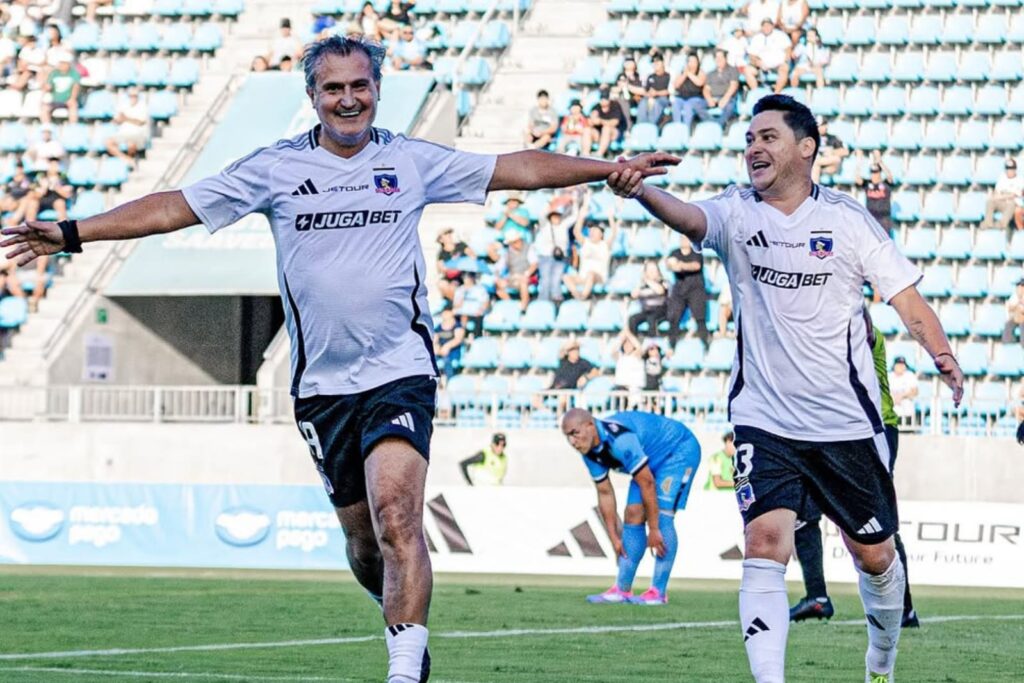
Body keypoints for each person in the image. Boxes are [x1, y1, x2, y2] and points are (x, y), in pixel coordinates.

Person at [1, 35, 678, 683]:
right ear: (312, 95)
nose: (348, 99)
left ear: (379, 90)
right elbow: (178, 206)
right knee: (364, 542)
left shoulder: (410, 160)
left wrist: (604, 171)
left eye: (360, 86)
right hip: (322, 388)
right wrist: (69, 232)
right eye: (334, 89)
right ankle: (400, 622)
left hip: (400, 372)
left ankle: (405, 665)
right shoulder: (276, 168)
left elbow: (515, 167)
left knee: (396, 515)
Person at [606, 93, 963, 683]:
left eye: (768, 137)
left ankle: (881, 664)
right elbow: (691, 218)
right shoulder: (737, 212)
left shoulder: (848, 220)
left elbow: (905, 297)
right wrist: (641, 190)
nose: (753, 148)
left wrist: (941, 352)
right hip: (764, 418)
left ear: (806, 148)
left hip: (845, 422)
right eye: (749, 139)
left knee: (873, 555)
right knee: (764, 540)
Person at [791, 311, 920, 629]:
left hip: (875, 431)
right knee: (803, 512)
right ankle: (817, 597)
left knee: (880, 521)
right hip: (829, 432)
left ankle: (903, 608)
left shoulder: (863, 329)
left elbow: (858, 326)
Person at [562, 408, 702, 605]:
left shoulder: (620, 440)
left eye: (575, 433)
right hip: (649, 459)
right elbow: (604, 492)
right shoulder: (588, 452)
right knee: (633, 513)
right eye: (567, 436)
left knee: (662, 515)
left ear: (590, 425)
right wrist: (613, 538)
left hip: (678, 450)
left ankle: (658, 592)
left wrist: (653, 530)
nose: (572, 442)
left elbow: (647, 484)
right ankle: (622, 589)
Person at [563, 194, 616, 300]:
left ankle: (583, 296)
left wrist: (611, 218)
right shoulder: (586, 242)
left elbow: (614, 233)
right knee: (566, 277)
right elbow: (576, 231)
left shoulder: (605, 245)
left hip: (598, 277)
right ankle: (576, 294)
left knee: (591, 274)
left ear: (601, 234)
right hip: (583, 276)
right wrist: (582, 215)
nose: (592, 233)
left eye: (595, 231)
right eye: (591, 231)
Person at [665, 235, 708, 348]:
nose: (683, 241)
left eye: (686, 239)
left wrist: (680, 265)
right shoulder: (675, 252)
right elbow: (669, 264)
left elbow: (696, 265)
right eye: (682, 239)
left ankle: (706, 345)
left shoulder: (696, 252)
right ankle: (671, 346)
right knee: (674, 318)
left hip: (696, 290)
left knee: (700, 319)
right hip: (680, 290)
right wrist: (675, 265)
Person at [106, 88, 150, 166]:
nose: (133, 98)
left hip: (137, 134)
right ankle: (127, 160)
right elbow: (117, 120)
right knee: (109, 142)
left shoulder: (142, 106)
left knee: (131, 144)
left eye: (135, 96)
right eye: (131, 96)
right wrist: (119, 119)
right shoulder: (124, 106)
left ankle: (130, 161)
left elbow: (141, 122)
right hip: (123, 133)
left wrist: (126, 118)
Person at [494, 231, 536, 312]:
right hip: (513, 277)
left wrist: (526, 274)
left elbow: (534, 264)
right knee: (498, 284)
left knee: (523, 282)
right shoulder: (507, 253)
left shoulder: (528, 248)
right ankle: (511, 304)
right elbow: (500, 266)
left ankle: (524, 307)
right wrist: (497, 275)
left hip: (528, 276)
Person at [746, 19, 790, 94]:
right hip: (762, 66)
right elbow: (751, 55)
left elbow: (788, 50)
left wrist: (785, 61)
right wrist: (758, 62)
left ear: (772, 26)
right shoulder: (757, 38)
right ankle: (756, 93)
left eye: (768, 25)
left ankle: (776, 94)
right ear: (761, 27)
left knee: (785, 68)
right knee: (748, 70)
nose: (766, 27)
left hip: (778, 65)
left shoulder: (781, 35)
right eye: (764, 26)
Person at [627, 260, 668, 337]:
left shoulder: (663, 282)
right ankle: (634, 343)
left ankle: (653, 344)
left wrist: (648, 281)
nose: (653, 272)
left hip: (661, 310)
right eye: (650, 270)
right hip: (646, 311)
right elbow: (633, 295)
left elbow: (660, 291)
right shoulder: (643, 285)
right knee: (632, 319)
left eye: (654, 270)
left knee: (651, 319)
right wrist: (641, 284)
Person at [856, 151, 894, 233]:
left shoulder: (886, 184)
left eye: (876, 173)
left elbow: (890, 176)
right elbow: (857, 179)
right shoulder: (867, 183)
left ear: (880, 173)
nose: (874, 175)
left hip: (884, 218)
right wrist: (859, 161)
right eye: (872, 173)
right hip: (871, 217)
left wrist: (880, 162)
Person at [983, 158, 1024, 230]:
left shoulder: (1020, 180)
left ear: (1015, 169)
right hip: (1002, 202)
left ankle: (1002, 224)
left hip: (1013, 204)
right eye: (1008, 168)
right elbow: (996, 195)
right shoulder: (1002, 179)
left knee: (1011, 204)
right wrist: (1008, 195)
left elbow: (1018, 195)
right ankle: (988, 223)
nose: (1010, 170)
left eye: (1012, 168)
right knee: (990, 201)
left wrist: (1004, 195)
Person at [703, 50, 741, 127]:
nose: (718, 59)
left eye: (720, 57)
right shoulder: (710, 73)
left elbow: (734, 86)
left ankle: (718, 125)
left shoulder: (732, 70)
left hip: (727, 98)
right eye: (716, 57)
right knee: (696, 104)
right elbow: (706, 89)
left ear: (726, 58)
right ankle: (712, 122)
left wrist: (725, 99)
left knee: (729, 107)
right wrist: (709, 98)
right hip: (713, 98)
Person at [670, 52, 707, 130]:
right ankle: (678, 128)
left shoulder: (700, 72)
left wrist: (689, 74)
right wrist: (684, 74)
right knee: (675, 104)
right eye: (690, 61)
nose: (692, 64)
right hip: (681, 97)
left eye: (694, 62)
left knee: (688, 105)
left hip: (695, 98)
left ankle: (686, 129)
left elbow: (700, 83)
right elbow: (676, 85)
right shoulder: (682, 72)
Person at [435, 227, 472, 302]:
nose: (449, 235)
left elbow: (473, 256)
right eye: (446, 234)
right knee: (442, 284)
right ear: (441, 239)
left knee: (454, 286)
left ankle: (455, 305)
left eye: (449, 233)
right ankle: (454, 304)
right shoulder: (442, 253)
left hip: (463, 274)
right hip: (451, 276)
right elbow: (441, 268)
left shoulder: (461, 245)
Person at [41, 54, 80, 124]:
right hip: (55, 100)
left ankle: (72, 126)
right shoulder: (54, 73)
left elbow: (76, 87)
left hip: (67, 99)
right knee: (44, 108)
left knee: (73, 106)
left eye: (63, 63)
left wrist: (72, 98)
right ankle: (47, 127)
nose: (61, 65)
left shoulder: (74, 73)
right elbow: (48, 87)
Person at [590, 88, 627, 157]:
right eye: (602, 99)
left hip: (615, 133)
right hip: (599, 134)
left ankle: (599, 154)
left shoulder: (615, 105)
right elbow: (592, 119)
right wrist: (594, 118)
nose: (603, 101)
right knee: (587, 130)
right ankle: (585, 154)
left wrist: (601, 121)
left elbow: (615, 122)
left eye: (605, 98)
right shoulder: (597, 106)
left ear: (609, 98)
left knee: (606, 128)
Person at [636, 54, 671, 126]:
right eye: (654, 63)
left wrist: (657, 93)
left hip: (663, 98)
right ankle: (641, 125)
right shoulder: (650, 76)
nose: (655, 64)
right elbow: (646, 90)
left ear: (662, 62)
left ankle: (651, 125)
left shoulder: (668, 75)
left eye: (658, 62)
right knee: (643, 103)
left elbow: (670, 91)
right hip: (650, 97)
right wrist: (649, 94)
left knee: (656, 103)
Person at [432, 308, 464, 386]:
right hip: (441, 350)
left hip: (453, 351)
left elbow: (458, 339)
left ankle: (450, 383)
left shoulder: (457, 326)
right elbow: (435, 341)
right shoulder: (438, 327)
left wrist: (447, 346)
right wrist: (437, 347)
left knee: (447, 360)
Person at [453, 269, 490, 335]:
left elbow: (486, 302)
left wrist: (481, 310)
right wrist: (462, 298)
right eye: (464, 277)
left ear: (472, 278)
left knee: (478, 317)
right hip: (463, 311)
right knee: (462, 316)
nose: (466, 279)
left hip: (476, 312)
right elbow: (456, 305)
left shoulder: (480, 289)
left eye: (468, 277)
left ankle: (476, 336)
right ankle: (461, 335)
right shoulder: (460, 290)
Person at [812, 116, 849, 183]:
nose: (823, 127)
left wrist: (832, 152)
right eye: (820, 125)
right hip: (815, 164)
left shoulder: (832, 138)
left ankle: (814, 187)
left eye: (824, 124)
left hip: (830, 164)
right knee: (815, 163)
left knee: (837, 159)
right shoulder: (811, 139)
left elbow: (845, 152)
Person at [1003, 278, 1024, 345]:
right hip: (1016, 317)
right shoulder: (1014, 296)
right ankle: (1008, 342)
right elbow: (1010, 307)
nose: (1018, 288)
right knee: (1008, 325)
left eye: (1020, 286)